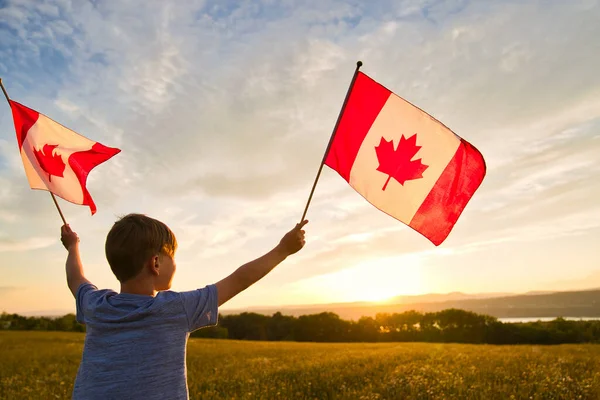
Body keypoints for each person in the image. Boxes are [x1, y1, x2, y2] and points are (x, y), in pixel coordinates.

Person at [60, 213, 307, 399]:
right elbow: (239, 279)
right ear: (155, 263)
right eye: (172, 257)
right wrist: (282, 250)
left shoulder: (97, 304)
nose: (175, 264)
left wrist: (73, 246)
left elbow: (75, 278)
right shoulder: (176, 309)